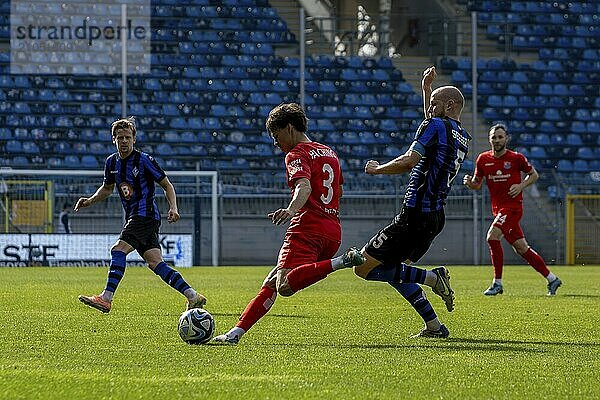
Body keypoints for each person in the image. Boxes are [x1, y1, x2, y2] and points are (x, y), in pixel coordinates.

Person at [213, 103, 365, 345]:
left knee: (283, 285)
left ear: (290, 128)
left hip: (307, 228)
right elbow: (340, 191)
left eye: (276, 135)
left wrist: (291, 209)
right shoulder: (329, 152)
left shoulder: (296, 154)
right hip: (333, 231)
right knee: (272, 281)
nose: (275, 142)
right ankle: (235, 334)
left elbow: (303, 186)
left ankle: (342, 262)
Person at [349, 66, 471, 338]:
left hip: (414, 215)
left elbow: (409, 160)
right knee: (395, 270)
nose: (430, 109)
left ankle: (431, 278)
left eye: (435, 104)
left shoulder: (435, 125)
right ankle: (434, 326)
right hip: (434, 216)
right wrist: (427, 90)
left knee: (363, 267)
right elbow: (432, 124)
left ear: (449, 105)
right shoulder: (460, 135)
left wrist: (377, 169)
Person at [75, 117, 206, 313]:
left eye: (128, 137)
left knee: (118, 250)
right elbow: (107, 188)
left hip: (144, 216)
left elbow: (166, 185)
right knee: (155, 263)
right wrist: (89, 201)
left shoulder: (144, 160)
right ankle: (192, 295)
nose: (124, 141)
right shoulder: (111, 162)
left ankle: (106, 298)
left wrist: (174, 207)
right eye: (120, 138)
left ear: (134, 139)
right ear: (114, 140)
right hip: (138, 218)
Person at [463, 124, 562, 296]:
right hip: (499, 210)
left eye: (500, 137)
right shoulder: (483, 159)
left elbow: (534, 174)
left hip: (513, 208)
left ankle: (497, 283)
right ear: (489, 139)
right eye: (494, 137)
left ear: (506, 138)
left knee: (492, 237)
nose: (497, 140)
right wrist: (470, 184)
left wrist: (521, 185)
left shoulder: (516, 158)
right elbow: (477, 184)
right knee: (522, 248)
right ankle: (552, 279)